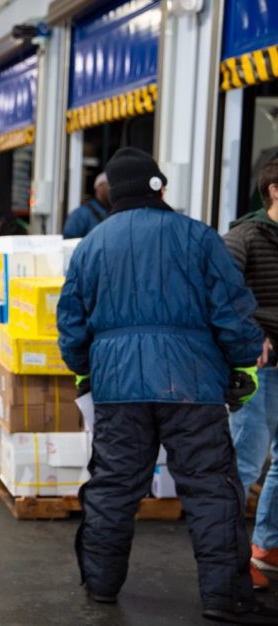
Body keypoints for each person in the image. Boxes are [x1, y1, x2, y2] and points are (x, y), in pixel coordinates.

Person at [57, 147, 276, 624]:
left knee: (114, 487)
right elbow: (231, 309)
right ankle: (226, 598)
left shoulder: (92, 245)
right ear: (159, 187)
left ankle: (101, 586)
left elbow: (71, 324)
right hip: (191, 386)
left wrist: (87, 370)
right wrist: (243, 362)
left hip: (118, 390)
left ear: (112, 193)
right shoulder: (197, 237)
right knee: (210, 490)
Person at [225, 157, 278, 590]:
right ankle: (228, 562)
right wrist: (251, 332)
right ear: (274, 190)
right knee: (243, 465)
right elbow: (220, 292)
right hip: (259, 372)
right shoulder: (244, 236)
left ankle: (267, 547)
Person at [62, 171, 110, 239]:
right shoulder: (80, 214)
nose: (112, 189)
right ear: (99, 187)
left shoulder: (116, 212)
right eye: (109, 184)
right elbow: (68, 241)